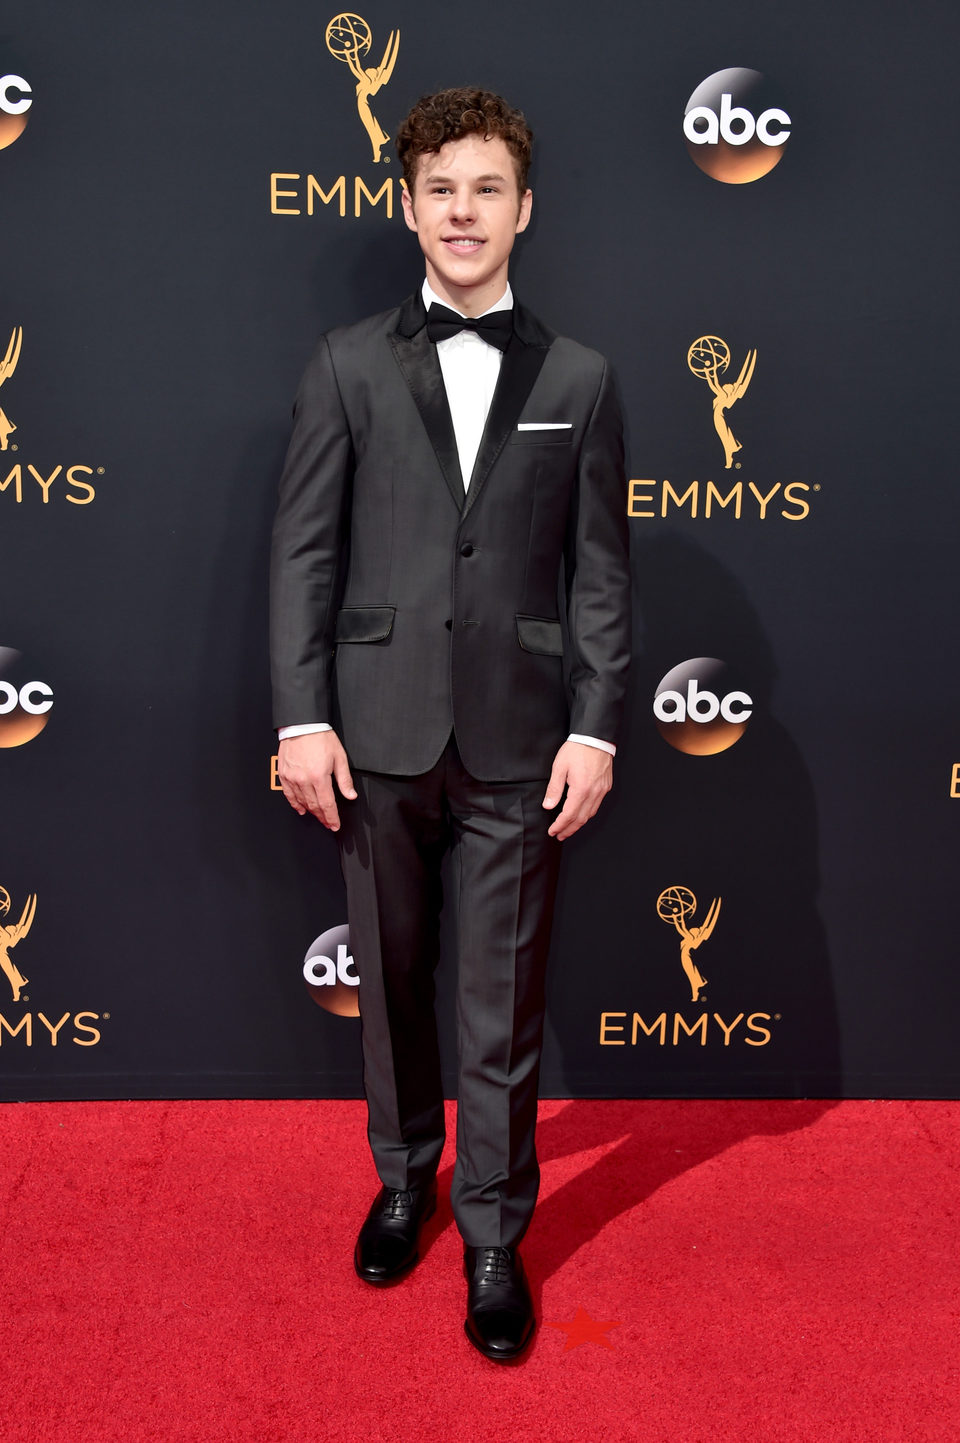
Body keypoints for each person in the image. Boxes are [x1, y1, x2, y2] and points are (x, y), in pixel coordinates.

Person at [270, 87, 630, 1362]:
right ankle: (405, 1180)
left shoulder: (580, 378)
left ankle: (491, 1231)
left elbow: (599, 572)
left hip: (523, 744)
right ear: (408, 207)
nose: (463, 211)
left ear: (523, 210)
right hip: (371, 736)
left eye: (486, 189)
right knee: (394, 995)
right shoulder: (345, 361)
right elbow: (304, 555)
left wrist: (596, 729)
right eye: (441, 190)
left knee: (500, 1004)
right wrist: (301, 715)